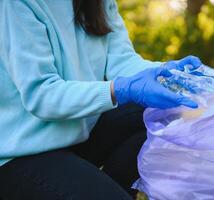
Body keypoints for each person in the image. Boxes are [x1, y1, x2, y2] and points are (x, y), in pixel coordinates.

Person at [0, 0, 201, 199]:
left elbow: (122, 61)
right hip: (21, 152)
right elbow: (42, 96)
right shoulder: (17, 4)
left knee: (154, 113)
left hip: (74, 135)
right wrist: (119, 89)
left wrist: (170, 75)